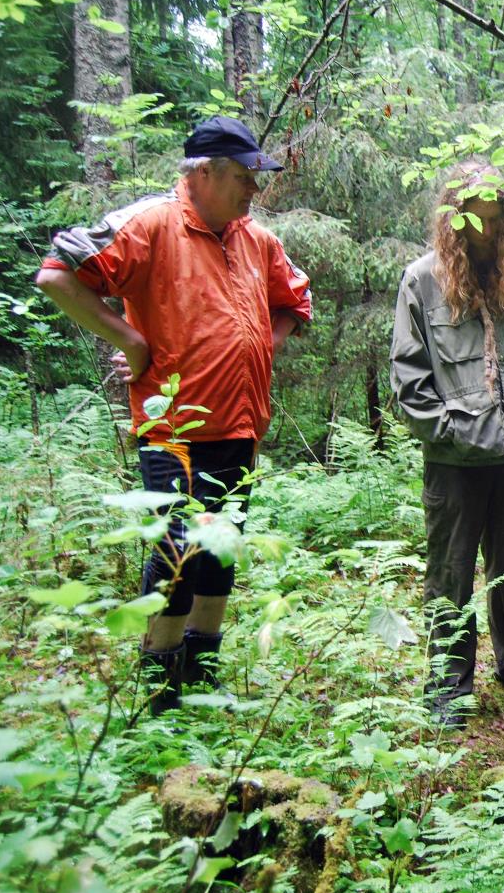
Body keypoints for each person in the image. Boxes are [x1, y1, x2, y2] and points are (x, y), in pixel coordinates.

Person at [35, 116, 312, 715]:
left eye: (253, 180)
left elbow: (294, 300)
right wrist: (131, 342)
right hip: (174, 429)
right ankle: (160, 698)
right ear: (204, 172)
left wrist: (264, 341)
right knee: (176, 551)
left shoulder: (256, 240)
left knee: (220, 551)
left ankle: (202, 674)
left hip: (241, 425)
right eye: (242, 177)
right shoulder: (151, 224)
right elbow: (58, 274)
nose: (252, 191)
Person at [390, 159, 504, 726]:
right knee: (451, 577)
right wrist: (455, 434)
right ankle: (447, 689)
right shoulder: (422, 281)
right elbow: (410, 382)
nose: (486, 236)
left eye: (495, 221)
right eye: (474, 223)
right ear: (454, 219)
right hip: (454, 466)